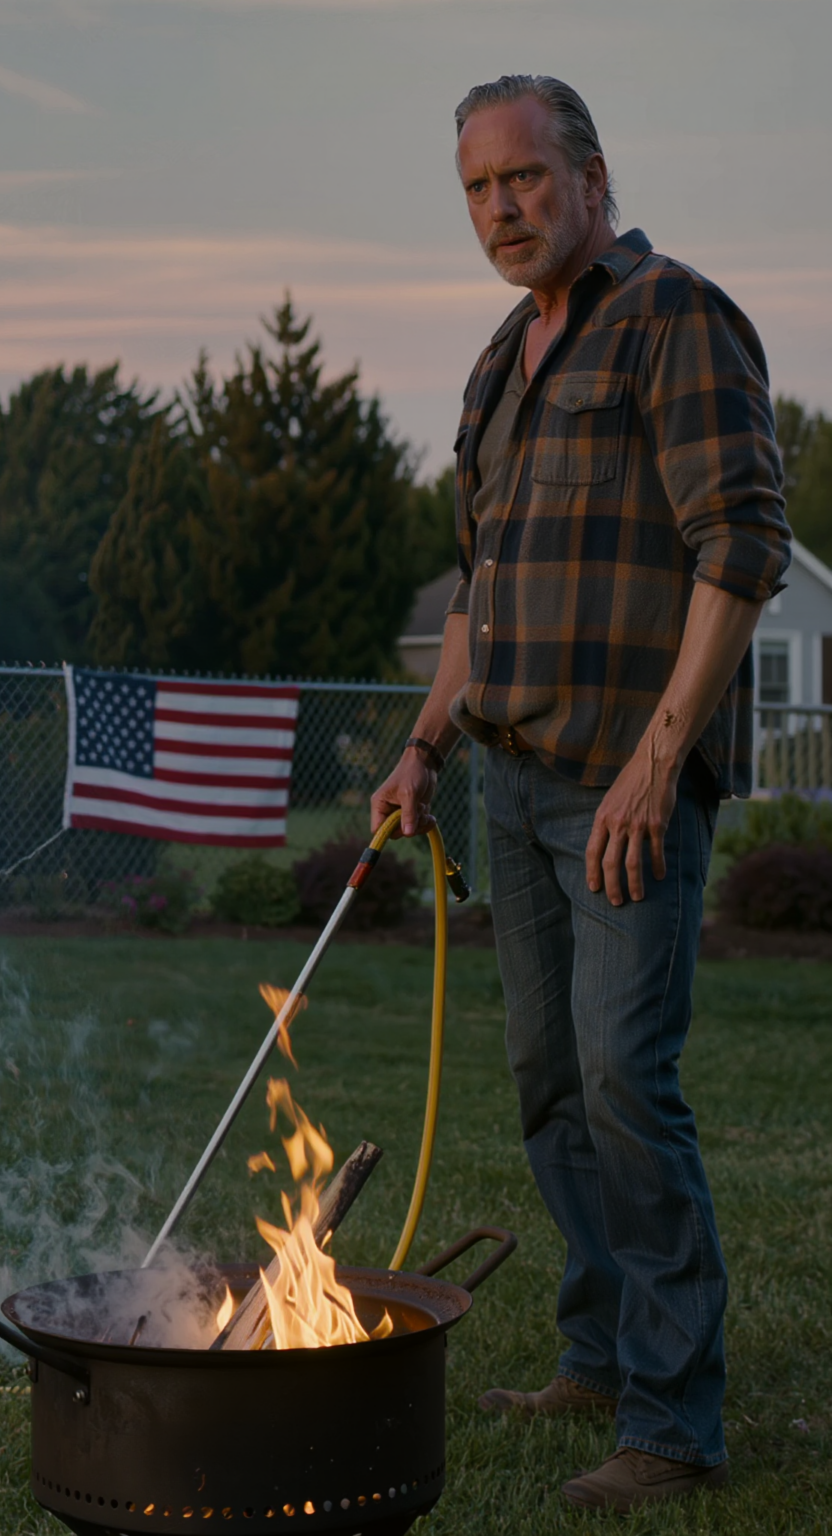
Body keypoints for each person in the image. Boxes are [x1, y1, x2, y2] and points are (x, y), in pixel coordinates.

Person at [370, 76, 790, 1513]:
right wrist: (425, 745)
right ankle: (599, 1357)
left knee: (626, 1086)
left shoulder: (677, 316)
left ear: (593, 178)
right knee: (551, 1087)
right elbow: (480, 594)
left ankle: (674, 1424)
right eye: (477, 189)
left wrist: (656, 765)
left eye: (525, 179)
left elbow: (743, 547)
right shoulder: (501, 360)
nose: (501, 209)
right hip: (509, 782)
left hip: (624, 793)